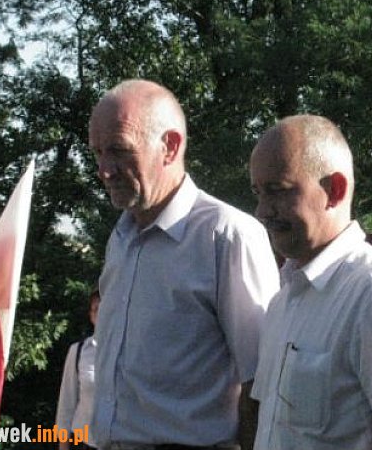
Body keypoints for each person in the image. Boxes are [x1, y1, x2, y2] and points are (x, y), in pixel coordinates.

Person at [88, 79, 280, 450]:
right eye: (98, 152)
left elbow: (262, 383)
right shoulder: (121, 237)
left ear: (170, 146)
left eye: (119, 150)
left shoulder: (226, 235)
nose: (104, 170)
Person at [248, 114, 372, 450]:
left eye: (277, 191)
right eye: (258, 193)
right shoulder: (282, 300)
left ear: (334, 190)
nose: (262, 211)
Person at [56, 290, 101, 450]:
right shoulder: (78, 351)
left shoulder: (129, 353)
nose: (101, 314)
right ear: (91, 316)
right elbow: (66, 404)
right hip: (85, 442)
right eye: (96, 309)